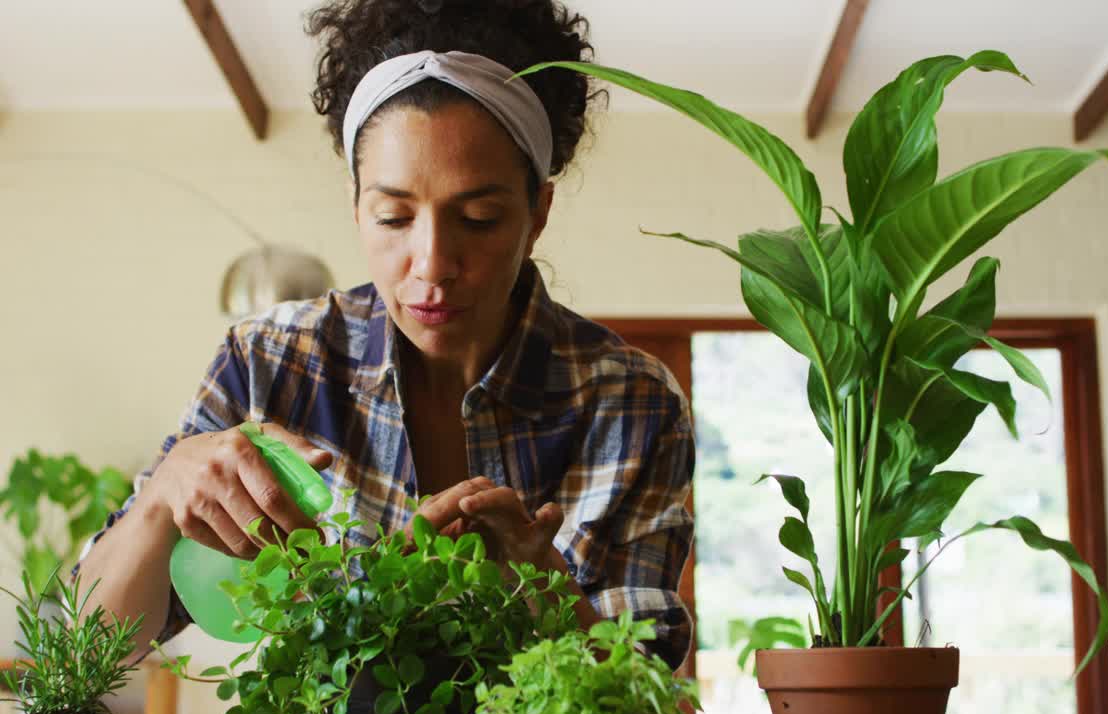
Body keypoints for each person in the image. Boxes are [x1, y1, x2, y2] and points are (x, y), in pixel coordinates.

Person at [74, 0, 694, 677]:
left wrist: (540, 586)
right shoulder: (269, 364)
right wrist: (166, 490)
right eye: (394, 216)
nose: (431, 264)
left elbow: (643, 684)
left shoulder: (630, 402)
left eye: (480, 218)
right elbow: (89, 646)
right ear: (355, 204)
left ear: (537, 213)